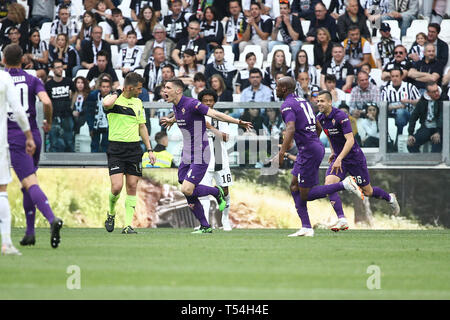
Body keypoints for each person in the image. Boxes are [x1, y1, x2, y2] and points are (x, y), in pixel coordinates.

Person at [160, 78, 253, 233]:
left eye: (168, 87)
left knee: (188, 189)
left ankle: (217, 193)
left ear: (178, 91)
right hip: (187, 153)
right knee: (185, 188)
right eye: (164, 87)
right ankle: (205, 225)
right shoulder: (176, 106)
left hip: (200, 153)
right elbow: (181, 114)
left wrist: (238, 122)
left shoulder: (191, 103)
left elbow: (215, 114)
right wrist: (171, 120)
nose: (164, 90)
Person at [275, 78, 365, 237]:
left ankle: (344, 184)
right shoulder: (303, 101)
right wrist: (312, 141)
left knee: (306, 195)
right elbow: (318, 125)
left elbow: (290, 128)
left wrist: (282, 152)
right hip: (310, 148)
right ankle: (306, 227)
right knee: (294, 186)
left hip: (308, 150)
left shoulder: (287, 105)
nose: (275, 89)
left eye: (277, 86)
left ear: (283, 88)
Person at [3, 44, 63, 248]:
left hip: (15, 138)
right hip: (34, 136)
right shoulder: (32, 79)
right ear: (24, 61)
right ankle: (30, 233)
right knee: (27, 184)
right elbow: (46, 102)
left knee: (30, 182)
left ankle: (52, 218)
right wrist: (48, 122)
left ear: (3, 59)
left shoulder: (2, 80)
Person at [316, 90, 400, 232]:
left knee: (367, 191)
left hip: (354, 158)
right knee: (329, 184)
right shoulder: (320, 118)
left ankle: (390, 198)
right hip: (339, 158)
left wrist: (340, 157)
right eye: (317, 101)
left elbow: (350, 140)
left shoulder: (341, 116)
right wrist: (334, 152)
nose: (319, 104)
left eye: (322, 101)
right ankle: (342, 219)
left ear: (330, 102)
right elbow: (330, 136)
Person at [102, 72, 155, 234]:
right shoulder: (114, 99)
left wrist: (150, 149)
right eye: (138, 88)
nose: (140, 91)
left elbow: (142, 127)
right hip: (116, 149)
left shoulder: (138, 103)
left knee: (132, 186)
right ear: (130, 88)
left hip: (134, 149)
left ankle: (127, 225)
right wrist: (118, 91)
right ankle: (111, 213)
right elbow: (106, 104)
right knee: (117, 187)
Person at [0, 68, 35, 256]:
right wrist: (28, 135)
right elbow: (19, 110)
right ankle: (5, 243)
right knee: (1, 190)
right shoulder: (4, 77)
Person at [198, 89, 233, 231]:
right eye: (205, 101)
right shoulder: (196, 116)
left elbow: (225, 137)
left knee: (225, 191)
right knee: (203, 192)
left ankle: (225, 219)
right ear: (200, 102)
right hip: (203, 160)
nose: (208, 103)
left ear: (214, 102)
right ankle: (204, 223)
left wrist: (211, 128)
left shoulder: (220, 116)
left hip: (220, 158)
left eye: (210, 101)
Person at [381, 68, 420, 140]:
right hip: (391, 115)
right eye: (392, 76)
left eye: (397, 76)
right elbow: (383, 107)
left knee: (400, 112)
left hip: (408, 114)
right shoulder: (386, 90)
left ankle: (399, 135)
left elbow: (420, 102)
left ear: (401, 77)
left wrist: (409, 101)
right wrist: (397, 106)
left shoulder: (410, 87)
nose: (395, 78)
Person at [45, 59, 74, 152]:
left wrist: (72, 105)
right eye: (57, 67)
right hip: (53, 115)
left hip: (67, 114)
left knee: (69, 141)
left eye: (61, 67)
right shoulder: (48, 85)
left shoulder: (68, 81)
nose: (60, 69)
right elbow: (46, 101)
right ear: (53, 70)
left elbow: (76, 92)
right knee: (54, 142)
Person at [407, 82, 443, 153]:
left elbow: (442, 118)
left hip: (440, 129)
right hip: (426, 127)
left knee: (436, 146)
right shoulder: (422, 101)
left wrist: (438, 132)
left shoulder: (443, 99)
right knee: (411, 144)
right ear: (428, 93)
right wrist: (410, 134)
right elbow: (414, 117)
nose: (436, 93)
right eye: (433, 92)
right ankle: (419, 161)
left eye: (437, 90)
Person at [85, 77, 111, 152]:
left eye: (107, 87)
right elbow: (89, 112)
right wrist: (90, 126)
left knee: (106, 145)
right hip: (96, 124)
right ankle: (93, 162)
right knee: (94, 144)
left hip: (108, 125)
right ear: (100, 87)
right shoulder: (93, 96)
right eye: (103, 87)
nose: (105, 89)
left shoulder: (113, 97)